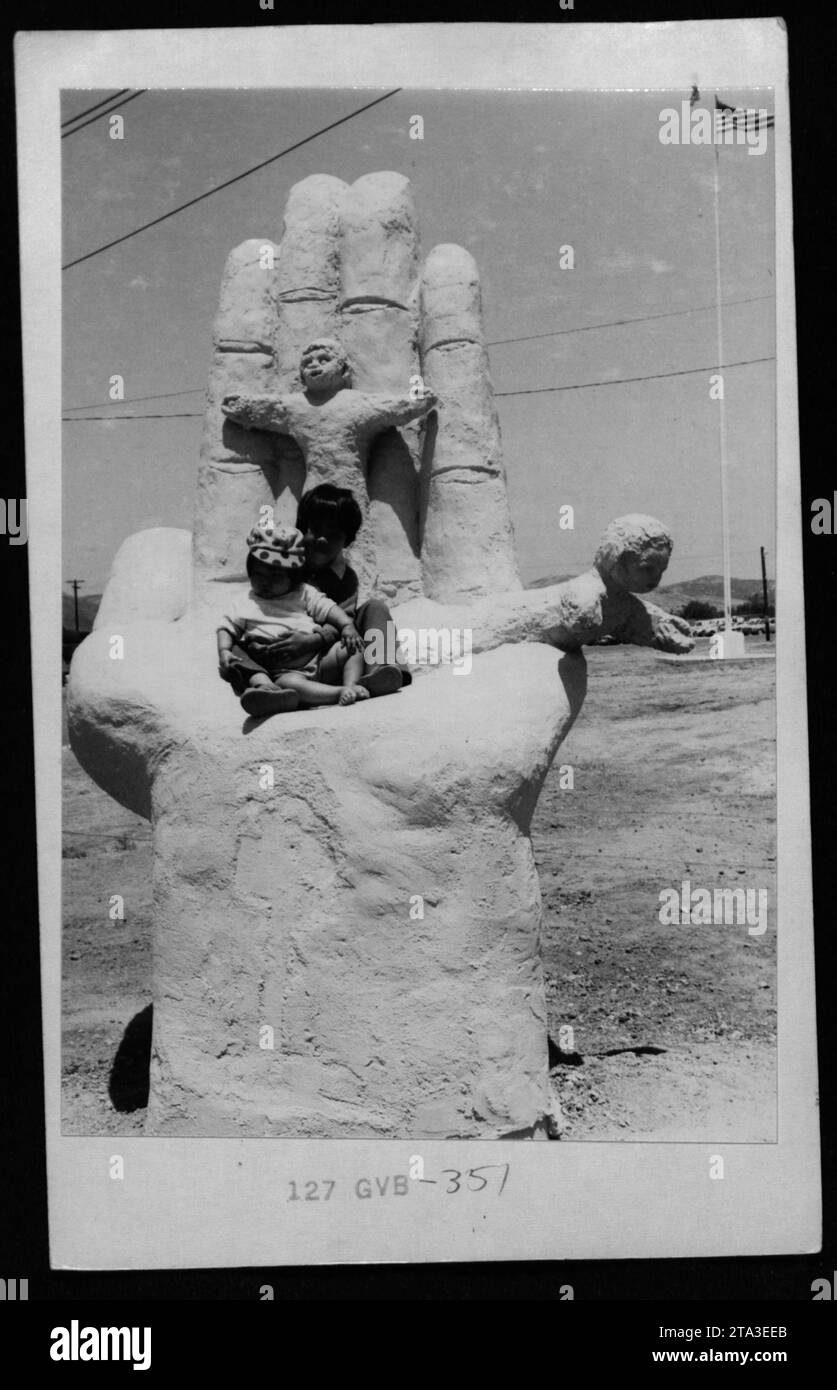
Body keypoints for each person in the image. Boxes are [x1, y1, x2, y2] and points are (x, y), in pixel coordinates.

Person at [216, 524, 401, 718]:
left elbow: (330, 610)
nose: (265, 582)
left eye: (276, 576)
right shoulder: (244, 601)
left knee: (354, 646)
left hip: (320, 658)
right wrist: (224, 651)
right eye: (259, 574)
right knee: (247, 659)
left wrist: (345, 626)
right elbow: (226, 628)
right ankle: (271, 690)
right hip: (285, 671)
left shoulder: (305, 591)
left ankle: (368, 677)